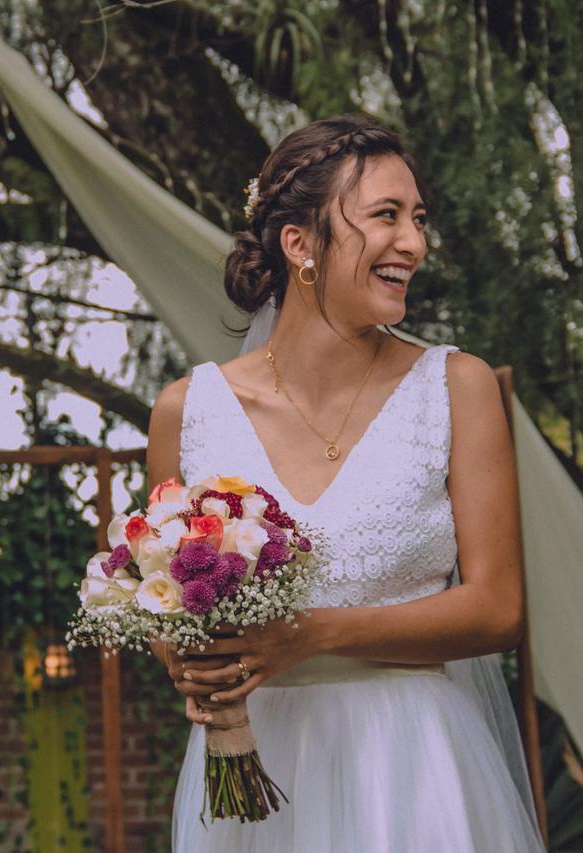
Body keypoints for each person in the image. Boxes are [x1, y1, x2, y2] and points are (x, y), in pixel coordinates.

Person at [143, 114, 547, 851]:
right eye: (386, 216)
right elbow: (166, 612)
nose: (415, 244)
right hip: (253, 779)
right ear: (300, 243)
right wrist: (190, 657)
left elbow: (497, 609)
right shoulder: (186, 411)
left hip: (414, 767)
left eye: (419, 219)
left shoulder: (457, 388)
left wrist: (311, 634)